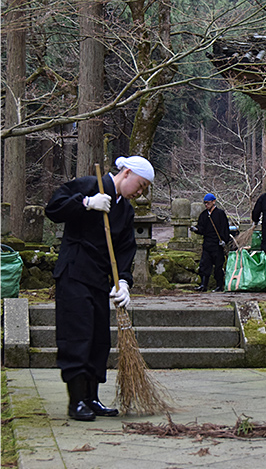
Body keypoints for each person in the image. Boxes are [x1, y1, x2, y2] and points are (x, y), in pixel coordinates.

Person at [45, 155, 154, 421]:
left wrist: (124, 282)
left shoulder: (126, 211)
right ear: (126, 173)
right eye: (139, 185)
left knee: (97, 339)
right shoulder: (90, 185)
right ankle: (76, 401)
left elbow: (126, 248)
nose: (140, 193)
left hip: (99, 279)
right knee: (78, 334)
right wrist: (85, 203)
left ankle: (92, 398)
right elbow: (53, 208)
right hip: (74, 273)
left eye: (144, 189)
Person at [190, 193, 233, 292]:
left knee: (218, 266)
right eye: (205, 203)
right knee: (204, 265)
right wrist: (196, 229)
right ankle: (203, 285)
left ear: (214, 202)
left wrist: (224, 240)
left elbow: (225, 229)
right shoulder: (204, 215)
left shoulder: (220, 214)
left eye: (208, 203)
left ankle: (219, 286)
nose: (206, 205)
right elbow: (202, 228)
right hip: (207, 243)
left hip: (217, 244)